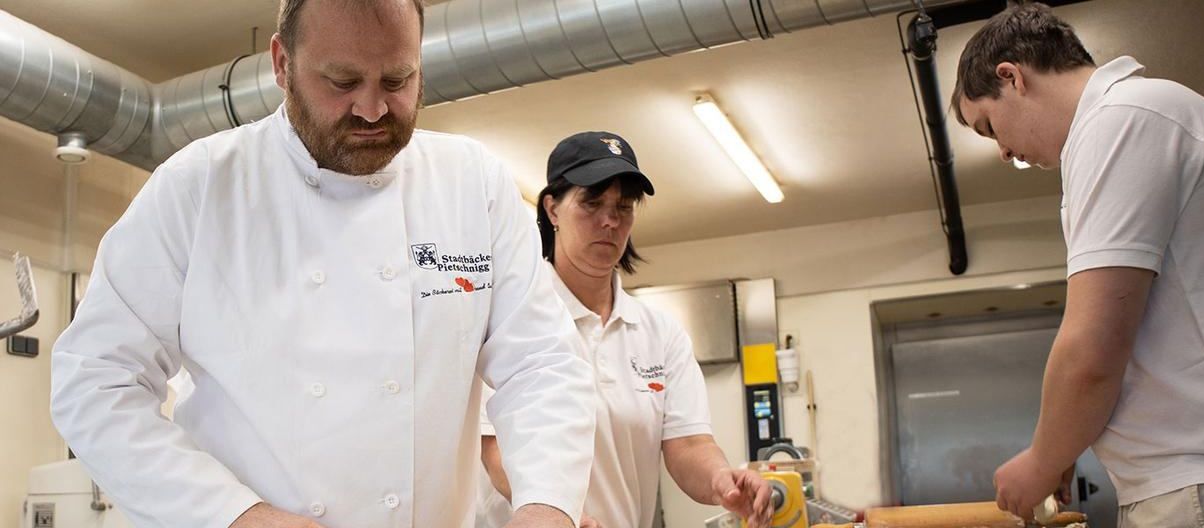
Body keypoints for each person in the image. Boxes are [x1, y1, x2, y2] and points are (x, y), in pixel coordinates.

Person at [49, 1, 597, 527]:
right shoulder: (200, 186)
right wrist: (230, 515)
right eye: (342, 82)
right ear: (282, 64)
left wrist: (547, 503)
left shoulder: (473, 183)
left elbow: (542, 364)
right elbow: (95, 381)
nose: (372, 108)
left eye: (397, 80)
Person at [951, 3, 1204, 526]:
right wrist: (1063, 446)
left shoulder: (1120, 121)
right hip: (1185, 475)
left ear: (1011, 77)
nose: (1004, 151)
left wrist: (1041, 459)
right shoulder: (1123, 124)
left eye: (989, 126)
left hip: (1195, 479)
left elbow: (1094, 347)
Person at [477, 131, 772, 528]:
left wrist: (723, 480)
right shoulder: (511, 317)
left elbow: (688, 444)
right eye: (592, 203)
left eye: (624, 206)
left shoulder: (659, 333)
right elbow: (494, 449)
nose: (610, 220)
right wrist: (553, 511)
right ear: (552, 209)